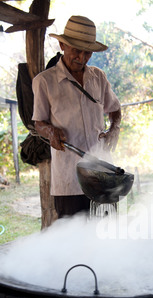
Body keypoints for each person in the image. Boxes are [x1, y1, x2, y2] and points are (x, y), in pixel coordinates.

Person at [32, 15, 121, 218]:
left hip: (102, 176)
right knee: (73, 243)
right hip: (69, 181)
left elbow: (115, 108)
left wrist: (114, 128)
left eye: (87, 52)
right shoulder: (44, 82)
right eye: (76, 51)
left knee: (107, 236)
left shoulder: (98, 77)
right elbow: (39, 122)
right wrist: (50, 131)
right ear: (63, 45)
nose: (82, 58)